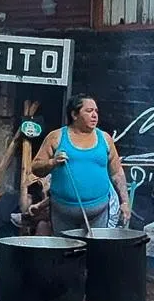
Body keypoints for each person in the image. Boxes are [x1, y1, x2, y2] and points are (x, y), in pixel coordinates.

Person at [31, 95, 131, 235]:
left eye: (96, 111)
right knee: (66, 252)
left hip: (99, 212)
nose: (95, 115)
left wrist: (125, 203)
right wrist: (52, 163)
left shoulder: (105, 139)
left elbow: (117, 173)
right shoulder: (56, 137)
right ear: (74, 114)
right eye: (89, 111)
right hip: (63, 212)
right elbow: (35, 168)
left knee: (95, 251)